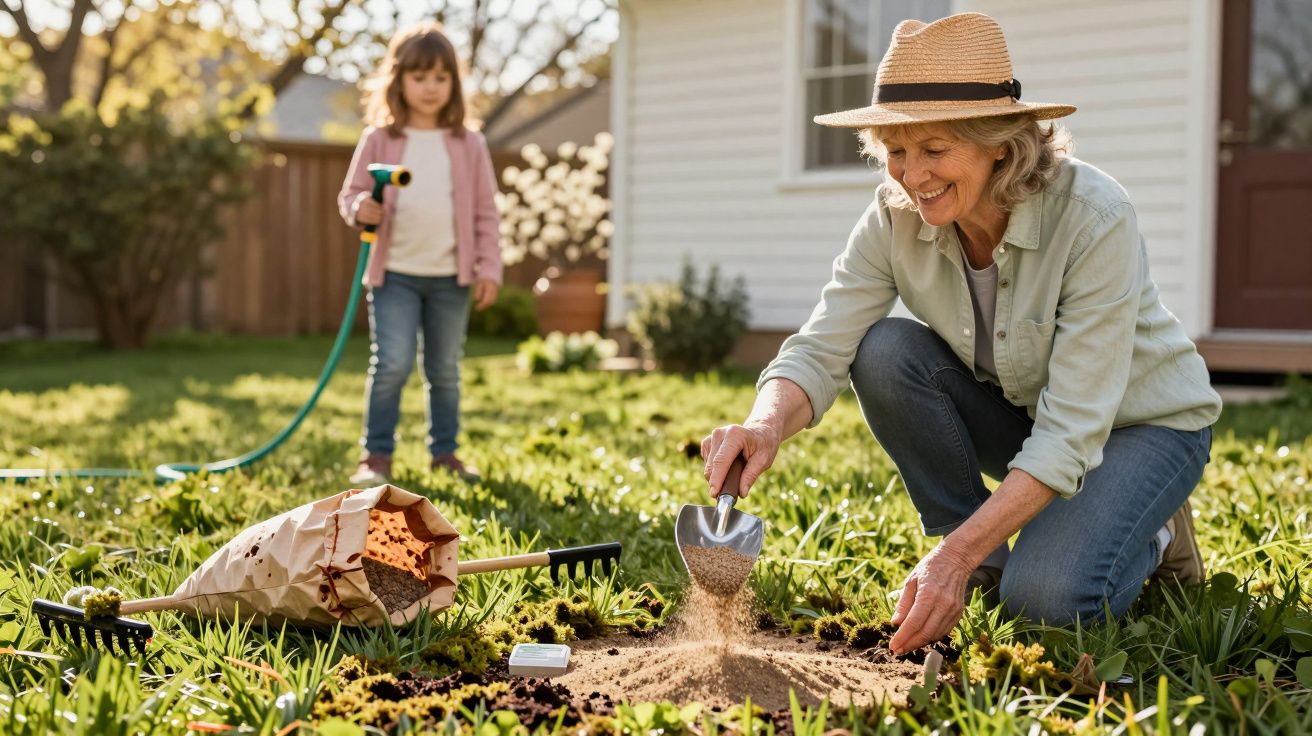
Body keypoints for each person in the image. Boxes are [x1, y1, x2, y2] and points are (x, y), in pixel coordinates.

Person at [700, 12, 1221, 655]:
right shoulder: (895, 216)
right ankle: (983, 561)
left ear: (1000, 140)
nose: (912, 175)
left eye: (935, 149)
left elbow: (1074, 429)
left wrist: (950, 554)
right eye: (896, 151)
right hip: (1030, 417)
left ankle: (1156, 530)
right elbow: (824, 341)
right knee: (884, 351)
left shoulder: (1094, 216)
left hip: (1142, 428)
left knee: (1047, 605)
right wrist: (763, 424)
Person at [338, 22, 502, 485]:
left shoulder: (469, 143)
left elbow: (486, 211)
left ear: (454, 82)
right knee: (391, 362)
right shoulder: (379, 138)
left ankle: (445, 452)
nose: (430, 87)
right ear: (398, 81)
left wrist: (488, 265)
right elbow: (351, 195)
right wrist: (359, 208)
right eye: (419, 76)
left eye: (440, 77)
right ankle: (376, 456)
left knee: (445, 369)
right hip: (394, 275)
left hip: (452, 277)